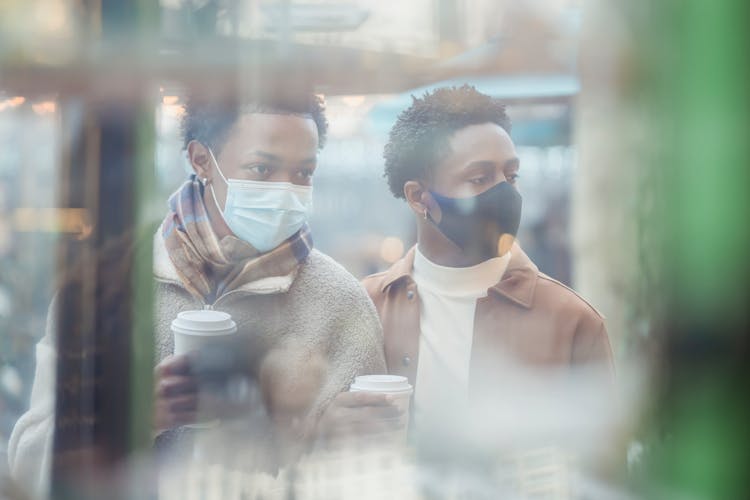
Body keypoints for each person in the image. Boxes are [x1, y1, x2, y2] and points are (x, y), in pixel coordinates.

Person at [8, 89, 386, 495]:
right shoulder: (103, 290)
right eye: (261, 169)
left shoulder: (339, 301)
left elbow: (372, 476)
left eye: (303, 173)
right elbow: (28, 465)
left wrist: (313, 436)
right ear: (201, 160)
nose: (286, 190)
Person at [327, 85, 615, 449]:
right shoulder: (362, 307)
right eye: (479, 179)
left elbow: (604, 467)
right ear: (419, 197)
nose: (504, 194)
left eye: (510, 177)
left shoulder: (573, 321)